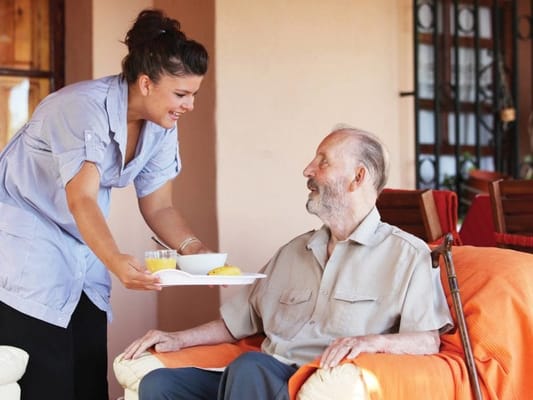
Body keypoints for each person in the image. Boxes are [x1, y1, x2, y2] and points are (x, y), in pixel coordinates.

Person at [122, 125, 454, 400]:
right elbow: (237, 322)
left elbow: (426, 340)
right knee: (159, 386)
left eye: (323, 162)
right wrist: (177, 339)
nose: (308, 170)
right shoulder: (293, 252)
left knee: (250, 368)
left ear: (358, 177)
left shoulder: (407, 255)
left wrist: (372, 343)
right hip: (260, 382)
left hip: (314, 382)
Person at [0, 8, 211, 400]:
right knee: (46, 383)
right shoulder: (81, 108)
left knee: (88, 379)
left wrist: (194, 250)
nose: (189, 106)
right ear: (146, 83)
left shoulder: (162, 124)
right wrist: (116, 262)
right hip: (28, 249)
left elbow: (160, 206)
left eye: (194, 95)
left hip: (84, 246)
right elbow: (80, 198)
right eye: (181, 94)